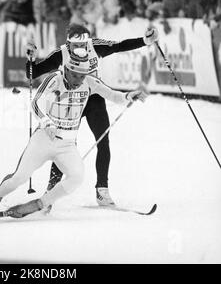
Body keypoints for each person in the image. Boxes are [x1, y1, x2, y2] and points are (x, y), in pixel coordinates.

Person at [0, 59, 147, 218]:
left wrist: (128, 96)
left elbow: (112, 95)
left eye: (82, 76)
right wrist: (46, 122)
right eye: (75, 75)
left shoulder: (89, 81)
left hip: (67, 145)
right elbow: (36, 103)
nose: (78, 80)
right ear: (66, 69)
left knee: (77, 177)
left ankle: (40, 204)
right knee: (19, 177)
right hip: (44, 139)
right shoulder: (54, 79)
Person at [23, 23, 158, 206]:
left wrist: (145, 41)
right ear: (68, 43)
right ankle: (51, 191)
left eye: (84, 45)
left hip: (94, 98)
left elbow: (119, 46)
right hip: (71, 101)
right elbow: (33, 73)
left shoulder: (95, 46)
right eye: (76, 46)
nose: (80, 49)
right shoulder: (60, 54)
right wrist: (31, 59)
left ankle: (102, 191)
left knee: (103, 141)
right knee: (65, 143)